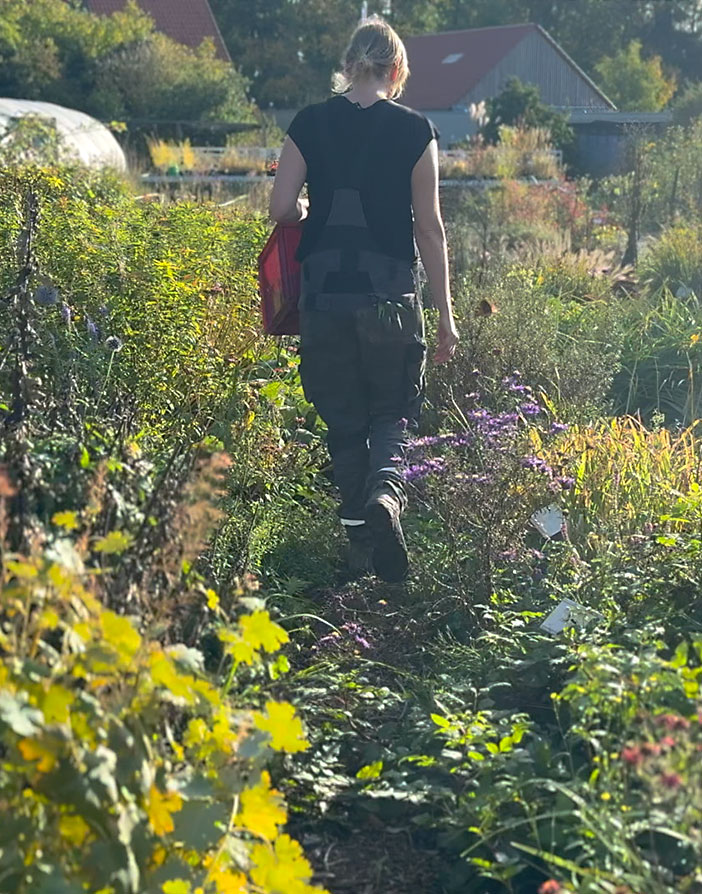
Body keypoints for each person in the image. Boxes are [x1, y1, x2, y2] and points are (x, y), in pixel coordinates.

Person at [269, 14, 458, 583]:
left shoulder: (308, 122)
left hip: (324, 298)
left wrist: (307, 212)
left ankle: (358, 556)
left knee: (345, 422)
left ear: (347, 68)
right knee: (393, 411)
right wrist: (446, 316)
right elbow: (429, 228)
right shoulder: (414, 130)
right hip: (390, 297)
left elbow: (280, 210)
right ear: (397, 71)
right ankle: (388, 496)